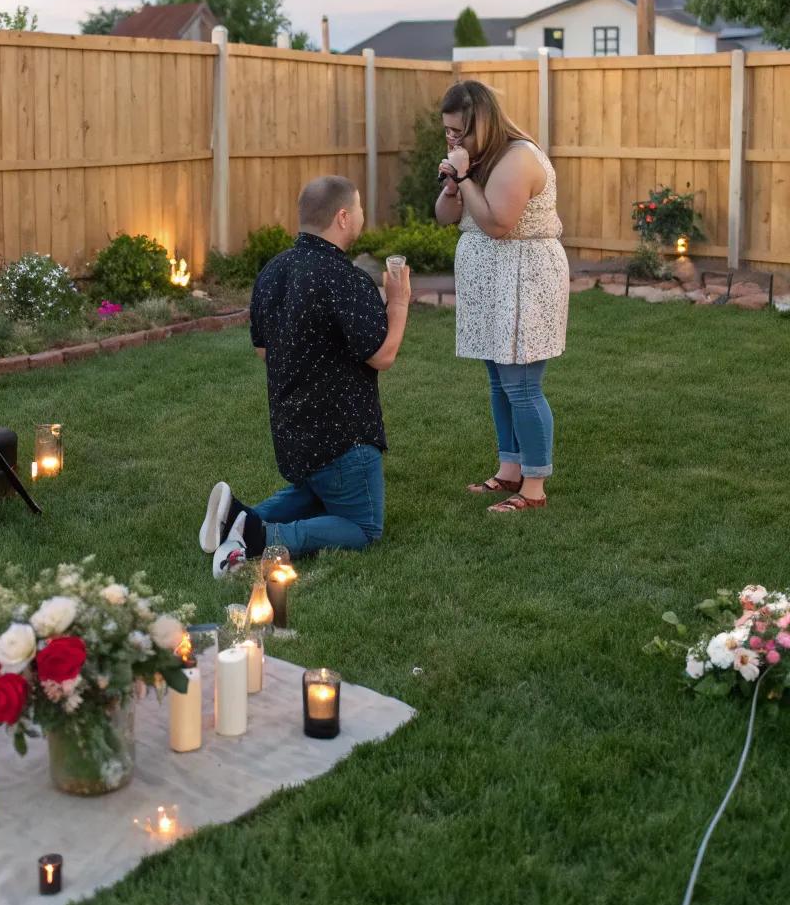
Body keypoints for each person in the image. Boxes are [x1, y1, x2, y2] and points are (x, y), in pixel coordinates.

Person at [199, 175, 411, 575]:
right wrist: (398, 304)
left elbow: (265, 350)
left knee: (315, 493)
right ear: (344, 217)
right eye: (361, 208)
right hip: (344, 439)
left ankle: (234, 518)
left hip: (293, 435)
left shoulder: (272, 272)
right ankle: (263, 538)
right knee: (362, 527)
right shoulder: (345, 279)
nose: (363, 215)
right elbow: (382, 355)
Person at [435, 79, 568, 513]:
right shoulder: (479, 157)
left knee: (523, 385)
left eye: (459, 131)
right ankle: (510, 468)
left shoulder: (517, 158)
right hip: (491, 282)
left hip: (523, 279)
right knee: (499, 382)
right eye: (448, 132)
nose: (453, 139)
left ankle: (534, 487)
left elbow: (498, 224)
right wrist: (454, 184)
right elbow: (444, 216)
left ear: (484, 123)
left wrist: (467, 174)